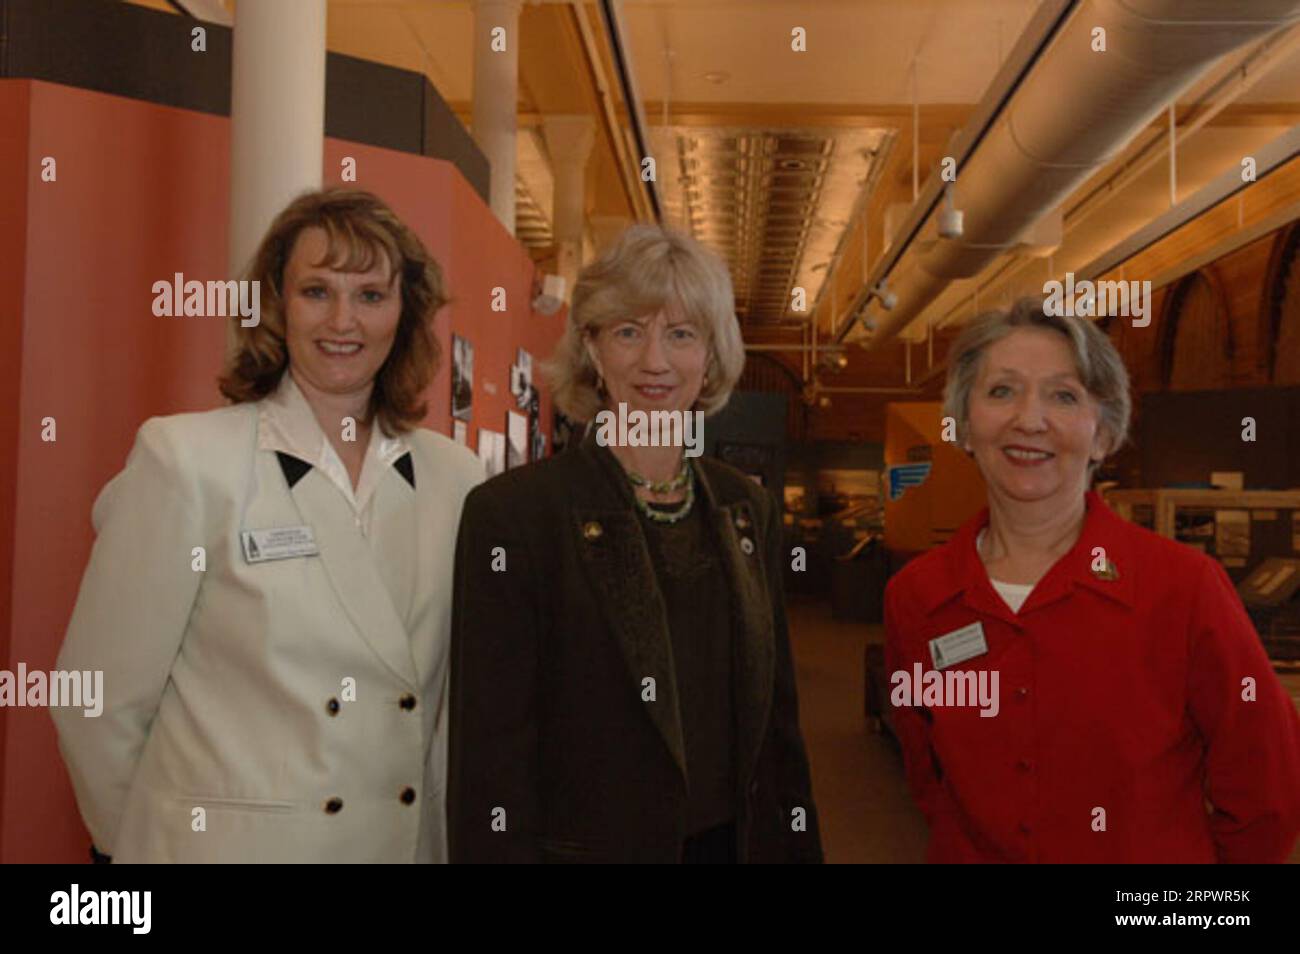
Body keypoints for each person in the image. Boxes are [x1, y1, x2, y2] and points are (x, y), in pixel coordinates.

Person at [52, 188, 483, 863]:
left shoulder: (456, 479)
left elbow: (451, 718)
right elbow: (95, 703)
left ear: (406, 312)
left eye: (371, 295)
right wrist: (144, 847)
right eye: (317, 290)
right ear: (277, 305)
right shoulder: (189, 462)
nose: (343, 319)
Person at [448, 224, 823, 863]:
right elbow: (490, 760)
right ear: (592, 348)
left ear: (710, 355)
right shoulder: (515, 517)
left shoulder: (744, 509)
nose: (655, 361)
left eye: (681, 334)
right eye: (628, 332)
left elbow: (778, 729)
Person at [884, 296, 1300, 863]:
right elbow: (928, 776)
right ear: (963, 425)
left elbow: (1266, 787)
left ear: (1103, 435)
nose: (1029, 419)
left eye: (1063, 395)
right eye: (1001, 390)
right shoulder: (918, 597)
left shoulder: (1183, 589)